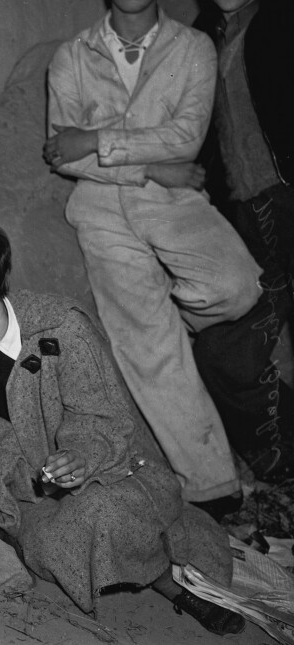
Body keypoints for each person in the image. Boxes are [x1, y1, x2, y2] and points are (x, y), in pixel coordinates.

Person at [0, 216, 245, 635]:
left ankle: (172, 585)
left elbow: (103, 415)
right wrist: (26, 480)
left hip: (111, 471)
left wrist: (78, 456)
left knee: (104, 513)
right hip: (29, 493)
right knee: (43, 542)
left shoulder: (61, 327)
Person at [42, 0, 263, 516]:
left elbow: (186, 140)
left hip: (176, 200)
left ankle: (165, 322)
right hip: (99, 208)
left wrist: (97, 140)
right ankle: (211, 486)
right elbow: (61, 156)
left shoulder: (193, 48)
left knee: (237, 286)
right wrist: (148, 169)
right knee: (146, 339)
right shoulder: (70, 55)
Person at [191, 0, 294, 484]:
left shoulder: (281, 16)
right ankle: (279, 456)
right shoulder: (202, 35)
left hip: (287, 193)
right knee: (225, 347)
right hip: (243, 213)